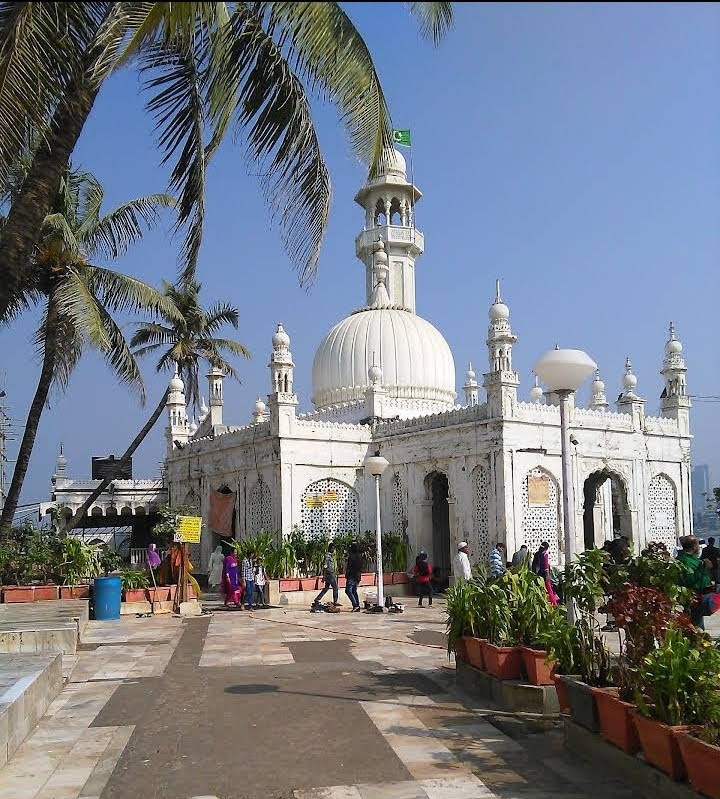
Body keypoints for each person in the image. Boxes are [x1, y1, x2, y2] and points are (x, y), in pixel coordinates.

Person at [676, 535, 713, 628]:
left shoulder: (693, 559)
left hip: (700, 596)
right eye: (697, 544)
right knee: (695, 626)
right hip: (692, 598)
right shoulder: (685, 561)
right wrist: (703, 567)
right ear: (693, 547)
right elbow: (690, 580)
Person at [313, 542, 340, 607]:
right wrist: (324, 576)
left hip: (331, 573)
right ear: (330, 548)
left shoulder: (331, 555)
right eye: (332, 548)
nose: (333, 550)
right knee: (335, 587)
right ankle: (335, 601)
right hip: (329, 573)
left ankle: (317, 599)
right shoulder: (327, 556)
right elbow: (325, 566)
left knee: (326, 588)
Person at [532, 541, 558, 606]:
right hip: (544, 573)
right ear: (546, 548)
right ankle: (554, 602)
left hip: (538, 573)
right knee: (549, 588)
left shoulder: (537, 554)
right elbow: (546, 565)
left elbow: (534, 564)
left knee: (541, 588)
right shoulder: (545, 554)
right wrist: (547, 574)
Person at [345, 541, 362, 612]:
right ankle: (357, 605)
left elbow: (349, 567)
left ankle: (355, 605)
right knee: (354, 591)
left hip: (352, 575)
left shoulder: (351, 556)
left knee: (348, 590)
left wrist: (347, 574)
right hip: (358, 575)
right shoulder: (360, 556)